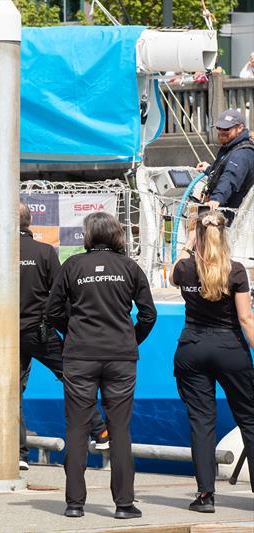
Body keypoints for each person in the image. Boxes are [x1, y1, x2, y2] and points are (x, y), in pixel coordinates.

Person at [46, 211, 157, 520]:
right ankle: (123, 505)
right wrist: (130, 339)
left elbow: (52, 310)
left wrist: (73, 332)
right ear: (116, 235)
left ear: (88, 236)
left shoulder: (73, 266)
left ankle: (74, 503)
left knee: (77, 428)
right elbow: (148, 314)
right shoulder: (130, 268)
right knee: (120, 429)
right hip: (121, 357)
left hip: (80, 355)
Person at [169, 210, 254, 512]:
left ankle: (205, 495)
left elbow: (172, 270)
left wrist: (189, 242)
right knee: (250, 419)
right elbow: (245, 318)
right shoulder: (237, 271)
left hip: (192, 347)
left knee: (202, 423)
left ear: (198, 238)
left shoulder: (185, 269)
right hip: (230, 348)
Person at [18, 202, 108, 471]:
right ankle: (100, 431)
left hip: (7, 334)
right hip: (40, 331)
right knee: (72, 376)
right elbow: (59, 297)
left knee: (11, 392)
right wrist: (69, 329)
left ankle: (17, 454)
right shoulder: (45, 252)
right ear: (29, 220)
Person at [196, 108, 253, 223]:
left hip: (233, 217)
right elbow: (224, 168)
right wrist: (209, 169)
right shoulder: (231, 145)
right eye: (219, 128)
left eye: (226, 128)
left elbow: (230, 177)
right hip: (227, 210)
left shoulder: (241, 153)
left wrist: (216, 199)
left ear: (240, 128)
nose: (222, 131)